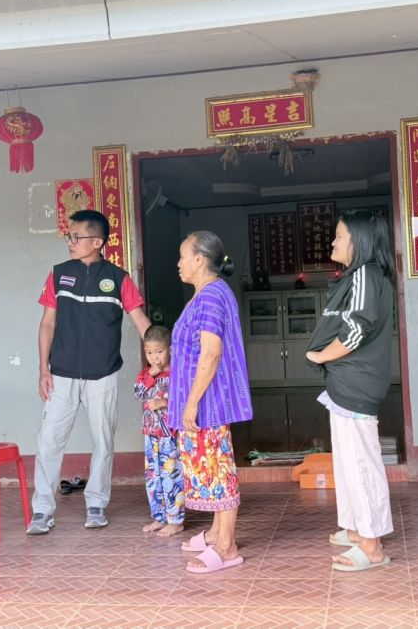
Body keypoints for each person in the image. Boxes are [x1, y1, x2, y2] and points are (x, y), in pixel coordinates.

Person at [29, 209, 151, 533]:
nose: (70, 242)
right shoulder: (59, 274)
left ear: (97, 242)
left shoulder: (119, 279)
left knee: (103, 441)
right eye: (69, 237)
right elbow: (47, 323)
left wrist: (161, 360)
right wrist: (43, 369)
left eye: (76, 237)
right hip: (61, 374)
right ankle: (42, 510)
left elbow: (142, 323)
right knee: (49, 442)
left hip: (103, 374)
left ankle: (96, 504)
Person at [304, 210, 396, 572]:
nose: (333, 242)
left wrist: (320, 355)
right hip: (347, 385)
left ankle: (371, 546)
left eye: (339, 236)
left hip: (355, 384)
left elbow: (357, 330)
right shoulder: (364, 276)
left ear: (359, 242)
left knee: (360, 465)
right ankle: (357, 529)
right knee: (347, 463)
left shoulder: (365, 275)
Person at [170, 231, 253, 573]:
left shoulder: (210, 297)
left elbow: (211, 353)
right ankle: (218, 533)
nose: (178, 263)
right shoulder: (208, 293)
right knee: (211, 468)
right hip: (204, 400)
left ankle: (227, 547)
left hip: (207, 402)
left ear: (199, 259)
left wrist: (191, 403)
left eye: (182, 256)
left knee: (218, 469)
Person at [135, 324, 184, 536]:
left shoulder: (177, 374)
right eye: (149, 353)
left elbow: (184, 400)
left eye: (159, 352)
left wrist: (164, 403)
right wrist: (150, 375)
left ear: (170, 350)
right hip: (150, 435)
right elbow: (137, 393)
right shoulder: (146, 374)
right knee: (153, 477)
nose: (154, 358)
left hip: (169, 435)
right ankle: (159, 517)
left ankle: (176, 520)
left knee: (170, 476)